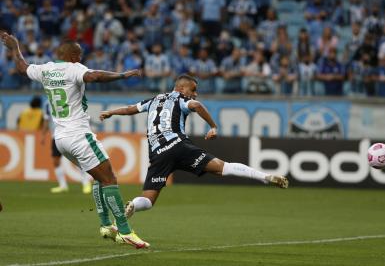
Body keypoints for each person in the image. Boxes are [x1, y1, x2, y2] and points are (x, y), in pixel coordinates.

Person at [0, 31, 149, 249]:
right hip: (79, 135)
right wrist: (123, 75)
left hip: (61, 138)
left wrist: (15, 47)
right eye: (78, 54)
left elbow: (22, 68)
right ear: (70, 56)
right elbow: (95, 76)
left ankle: (107, 226)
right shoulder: (74, 69)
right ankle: (126, 231)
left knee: (100, 179)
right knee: (110, 179)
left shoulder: (46, 69)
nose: (81, 59)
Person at [99, 74, 288, 227]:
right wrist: (213, 126)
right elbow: (196, 105)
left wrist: (111, 112)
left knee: (147, 200)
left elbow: (131, 108)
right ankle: (265, 177)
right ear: (181, 88)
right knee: (223, 167)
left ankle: (132, 205)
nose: (195, 94)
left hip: (158, 154)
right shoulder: (181, 98)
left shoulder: (154, 99)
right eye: (193, 90)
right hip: (178, 146)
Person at [42, 101, 93, 194]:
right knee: (56, 161)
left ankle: (86, 182)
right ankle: (63, 185)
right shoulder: (47, 103)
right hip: (56, 136)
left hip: (70, 134)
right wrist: (43, 135)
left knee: (76, 159)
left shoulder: (67, 98)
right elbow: (46, 119)